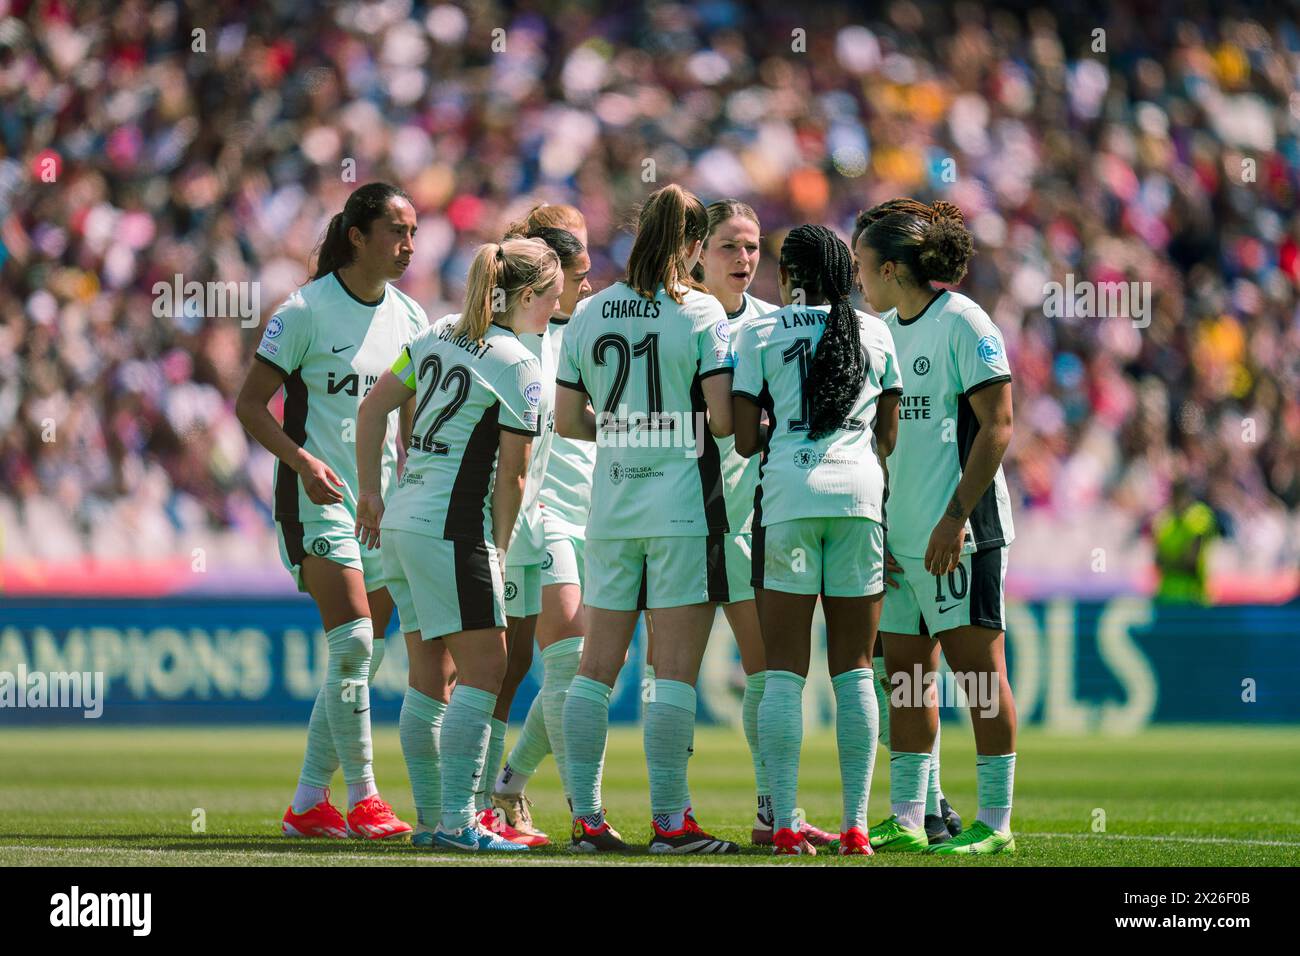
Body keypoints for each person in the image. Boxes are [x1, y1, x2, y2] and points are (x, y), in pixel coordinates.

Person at [354, 237, 562, 852]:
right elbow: (514, 476)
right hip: (452, 526)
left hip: (401, 521)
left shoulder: (438, 332)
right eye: (551, 298)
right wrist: (498, 552)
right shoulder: (518, 363)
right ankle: (457, 822)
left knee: (428, 676)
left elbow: (372, 410)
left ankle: (432, 820)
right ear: (527, 296)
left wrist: (371, 492)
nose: (555, 310)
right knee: (487, 670)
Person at [236, 182, 423, 841]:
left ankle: (310, 801)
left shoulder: (411, 318)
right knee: (355, 642)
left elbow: (414, 421)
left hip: (383, 505)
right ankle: (366, 797)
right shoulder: (303, 312)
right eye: (397, 231)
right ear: (357, 236)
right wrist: (302, 462)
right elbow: (250, 405)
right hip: (315, 501)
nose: (408, 244)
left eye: (414, 233)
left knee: (357, 660)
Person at [554, 183, 738, 854]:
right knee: (673, 671)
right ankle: (670, 823)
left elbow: (570, 420)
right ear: (693, 245)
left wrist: (629, 427)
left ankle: (587, 820)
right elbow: (720, 419)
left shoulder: (591, 310)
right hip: (679, 508)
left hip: (610, 504)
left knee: (595, 666)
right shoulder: (701, 313)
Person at [854, 198, 1018, 855]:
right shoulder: (885, 330)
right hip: (897, 540)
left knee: (978, 675)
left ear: (892, 267)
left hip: (960, 533)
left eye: (864, 264)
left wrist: (953, 520)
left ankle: (996, 824)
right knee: (906, 678)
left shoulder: (964, 322)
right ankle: (907, 815)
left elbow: (999, 426)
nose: (857, 278)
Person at [731, 225, 901, 855]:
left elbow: (746, 440)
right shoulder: (875, 331)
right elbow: (887, 435)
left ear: (789, 275)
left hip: (788, 501)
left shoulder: (759, 332)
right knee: (855, 669)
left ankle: (781, 825)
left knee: (784, 671)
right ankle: (856, 824)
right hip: (858, 501)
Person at [689, 200, 837, 847]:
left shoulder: (777, 326)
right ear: (698, 251)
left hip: (750, 524)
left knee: (770, 671)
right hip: (675, 519)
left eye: (752, 248)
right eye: (729, 246)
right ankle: (519, 788)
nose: (745, 260)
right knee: (597, 662)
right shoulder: (679, 318)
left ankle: (773, 810)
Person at [476, 222, 592, 846]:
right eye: (577, 277)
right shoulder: (513, 338)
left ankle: (506, 784)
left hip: (592, 513)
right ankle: (582, 814)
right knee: (558, 660)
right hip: (536, 515)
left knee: (523, 662)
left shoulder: (585, 331)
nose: (588, 286)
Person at [1152, 477, 1218, 604]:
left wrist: (1170, 562)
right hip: (1168, 596)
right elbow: (1158, 561)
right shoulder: (1165, 523)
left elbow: (1191, 562)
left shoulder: (1199, 518)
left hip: (1193, 595)